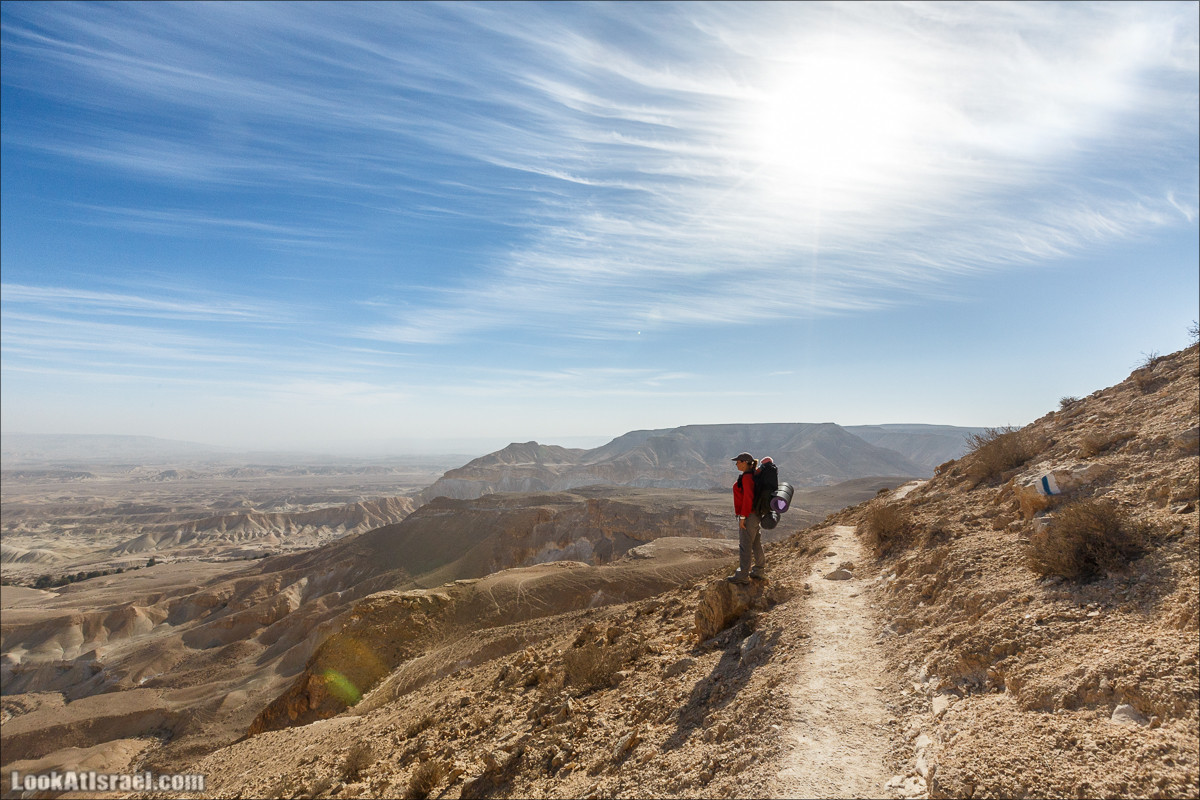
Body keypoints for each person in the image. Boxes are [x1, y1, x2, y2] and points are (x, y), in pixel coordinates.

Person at [727, 452, 766, 584]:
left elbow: (748, 498)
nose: (736, 464)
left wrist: (743, 517)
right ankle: (759, 570)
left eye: (738, 462)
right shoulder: (753, 475)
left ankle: (743, 575)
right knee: (755, 543)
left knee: (745, 545)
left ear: (744, 462)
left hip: (749, 516)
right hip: (755, 515)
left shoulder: (747, 477)